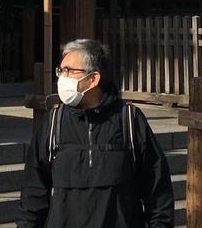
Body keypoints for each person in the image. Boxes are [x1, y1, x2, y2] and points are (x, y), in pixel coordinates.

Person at [15, 38, 174, 228]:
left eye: (68, 71)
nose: (62, 78)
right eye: (61, 71)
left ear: (93, 78)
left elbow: (157, 189)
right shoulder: (54, 123)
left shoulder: (129, 120)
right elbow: (33, 193)